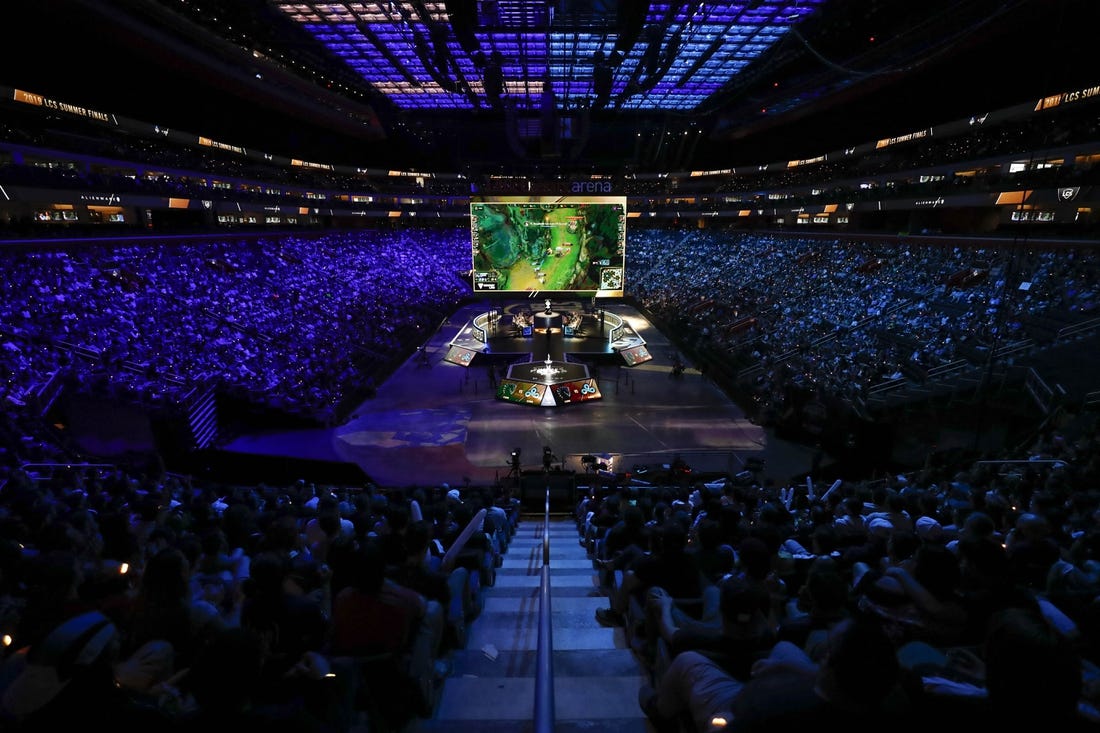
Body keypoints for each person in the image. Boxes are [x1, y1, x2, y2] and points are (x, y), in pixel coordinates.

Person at [640, 613, 913, 733]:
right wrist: (787, 668)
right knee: (784, 647)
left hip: (735, 708)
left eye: (827, 650)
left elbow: (736, 717)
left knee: (688, 660)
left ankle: (661, 710)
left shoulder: (772, 706)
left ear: (831, 667)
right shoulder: (896, 701)